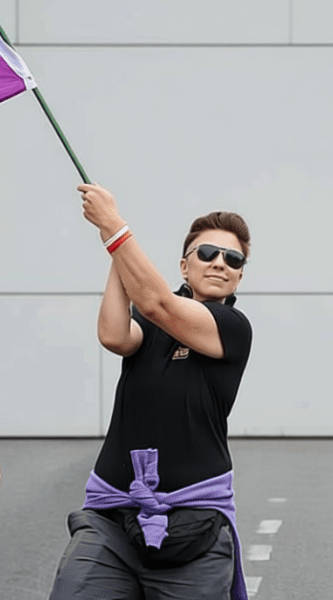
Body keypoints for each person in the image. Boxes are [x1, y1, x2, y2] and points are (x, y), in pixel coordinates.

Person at [47, 183, 254, 600]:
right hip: (111, 512)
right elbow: (114, 334)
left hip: (195, 522)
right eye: (207, 253)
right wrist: (115, 247)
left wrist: (114, 226)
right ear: (184, 266)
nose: (220, 263)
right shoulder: (150, 318)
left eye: (233, 259)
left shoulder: (233, 328)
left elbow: (159, 303)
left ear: (239, 276)